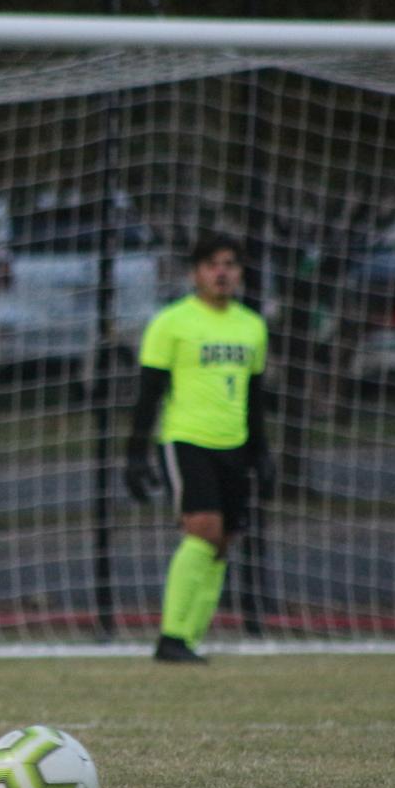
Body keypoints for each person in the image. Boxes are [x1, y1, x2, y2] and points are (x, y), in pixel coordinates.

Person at [125, 234, 274, 663]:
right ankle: (170, 637)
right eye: (212, 265)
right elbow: (149, 393)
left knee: (224, 541)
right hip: (187, 439)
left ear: (240, 272)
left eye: (229, 264)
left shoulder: (251, 326)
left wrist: (261, 451)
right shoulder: (171, 323)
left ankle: (188, 638)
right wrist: (135, 453)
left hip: (235, 444)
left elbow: (254, 395)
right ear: (196, 274)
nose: (221, 272)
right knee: (203, 530)